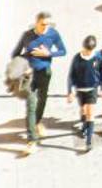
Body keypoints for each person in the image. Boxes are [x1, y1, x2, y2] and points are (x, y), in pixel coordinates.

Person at [10, 12, 66, 146]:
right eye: (42, 24)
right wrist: (25, 65)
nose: (45, 27)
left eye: (47, 25)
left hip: (45, 73)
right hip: (30, 75)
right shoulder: (27, 35)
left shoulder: (53, 34)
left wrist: (48, 53)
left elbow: (63, 51)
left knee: (43, 99)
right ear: (36, 23)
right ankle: (31, 140)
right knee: (31, 105)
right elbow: (15, 54)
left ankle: (36, 122)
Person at [69, 36, 102, 150]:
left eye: (91, 51)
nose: (89, 53)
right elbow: (71, 75)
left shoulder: (97, 57)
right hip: (80, 89)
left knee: (90, 113)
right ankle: (84, 125)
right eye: (88, 51)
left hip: (92, 89)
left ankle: (89, 141)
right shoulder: (77, 58)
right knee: (83, 110)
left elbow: (101, 72)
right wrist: (70, 91)